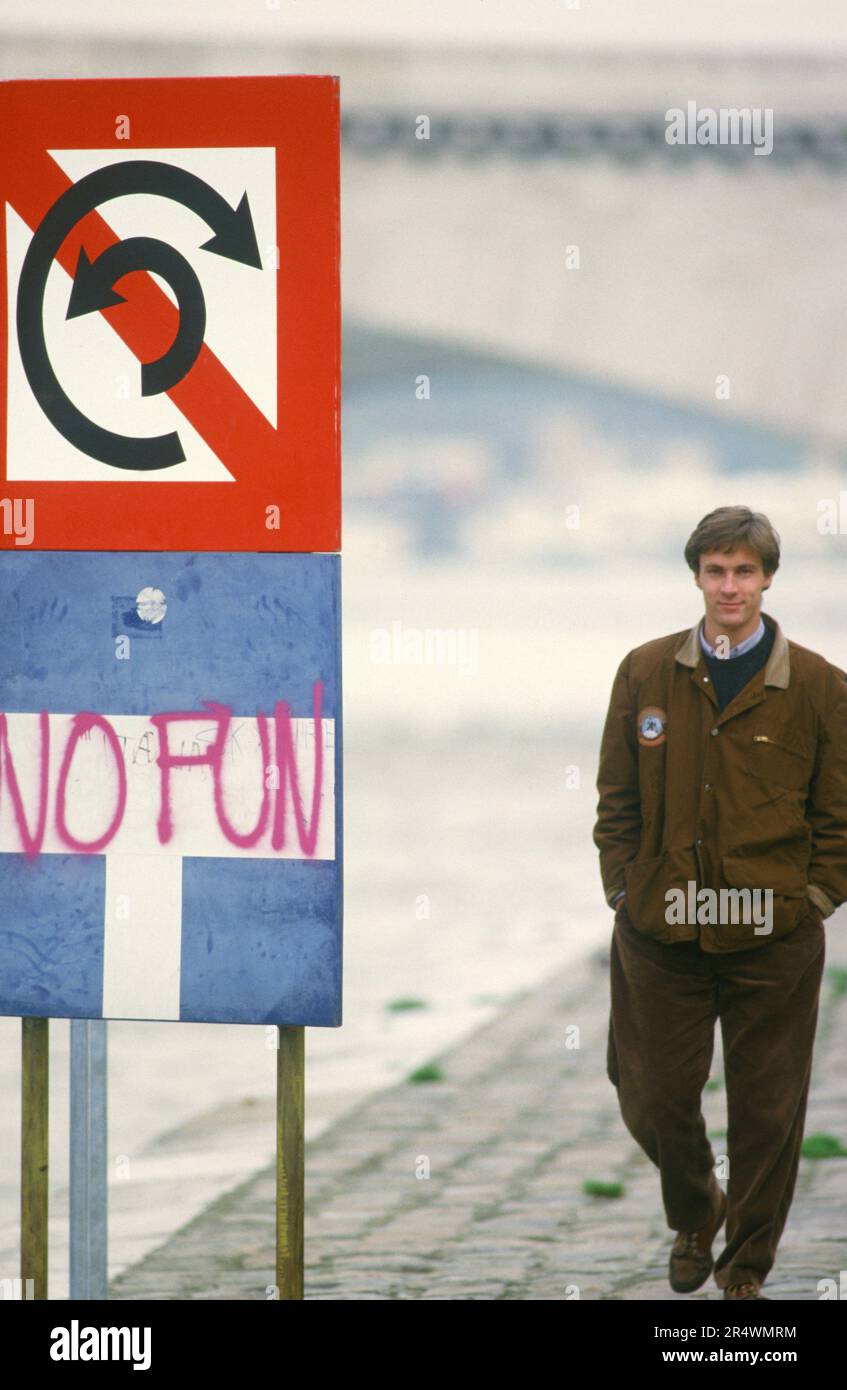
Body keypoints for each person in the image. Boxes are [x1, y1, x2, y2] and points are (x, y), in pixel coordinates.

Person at [593, 506, 847, 1300]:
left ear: (767, 578)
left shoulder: (818, 686)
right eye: (715, 570)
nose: (728, 585)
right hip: (661, 928)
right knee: (650, 1093)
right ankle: (695, 1207)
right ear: (696, 576)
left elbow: (837, 819)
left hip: (771, 933)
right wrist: (625, 890)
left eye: (743, 571)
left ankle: (743, 1273)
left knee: (767, 1117)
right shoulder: (643, 672)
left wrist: (811, 899)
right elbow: (615, 802)